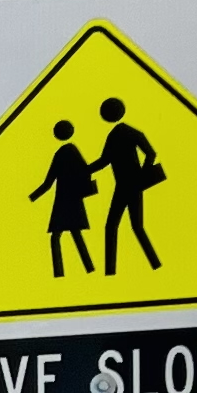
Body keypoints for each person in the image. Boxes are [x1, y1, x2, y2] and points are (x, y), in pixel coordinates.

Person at [94, 94, 167, 272]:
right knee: (130, 227)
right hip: (127, 186)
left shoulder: (122, 133)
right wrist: (82, 171)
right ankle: (152, 264)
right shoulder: (121, 134)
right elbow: (105, 161)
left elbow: (150, 153)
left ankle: (113, 270)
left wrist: (141, 176)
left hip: (128, 186)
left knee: (120, 226)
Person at [29, 115, 97, 275]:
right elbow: (84, 172)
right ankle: (86, 268)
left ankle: (65, 272)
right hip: (69, 200)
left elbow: (48, 183)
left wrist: (31, 198)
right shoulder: (69, 151)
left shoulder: (63, 153)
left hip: (65, 201)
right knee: (72, 234)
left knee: (58, 237)